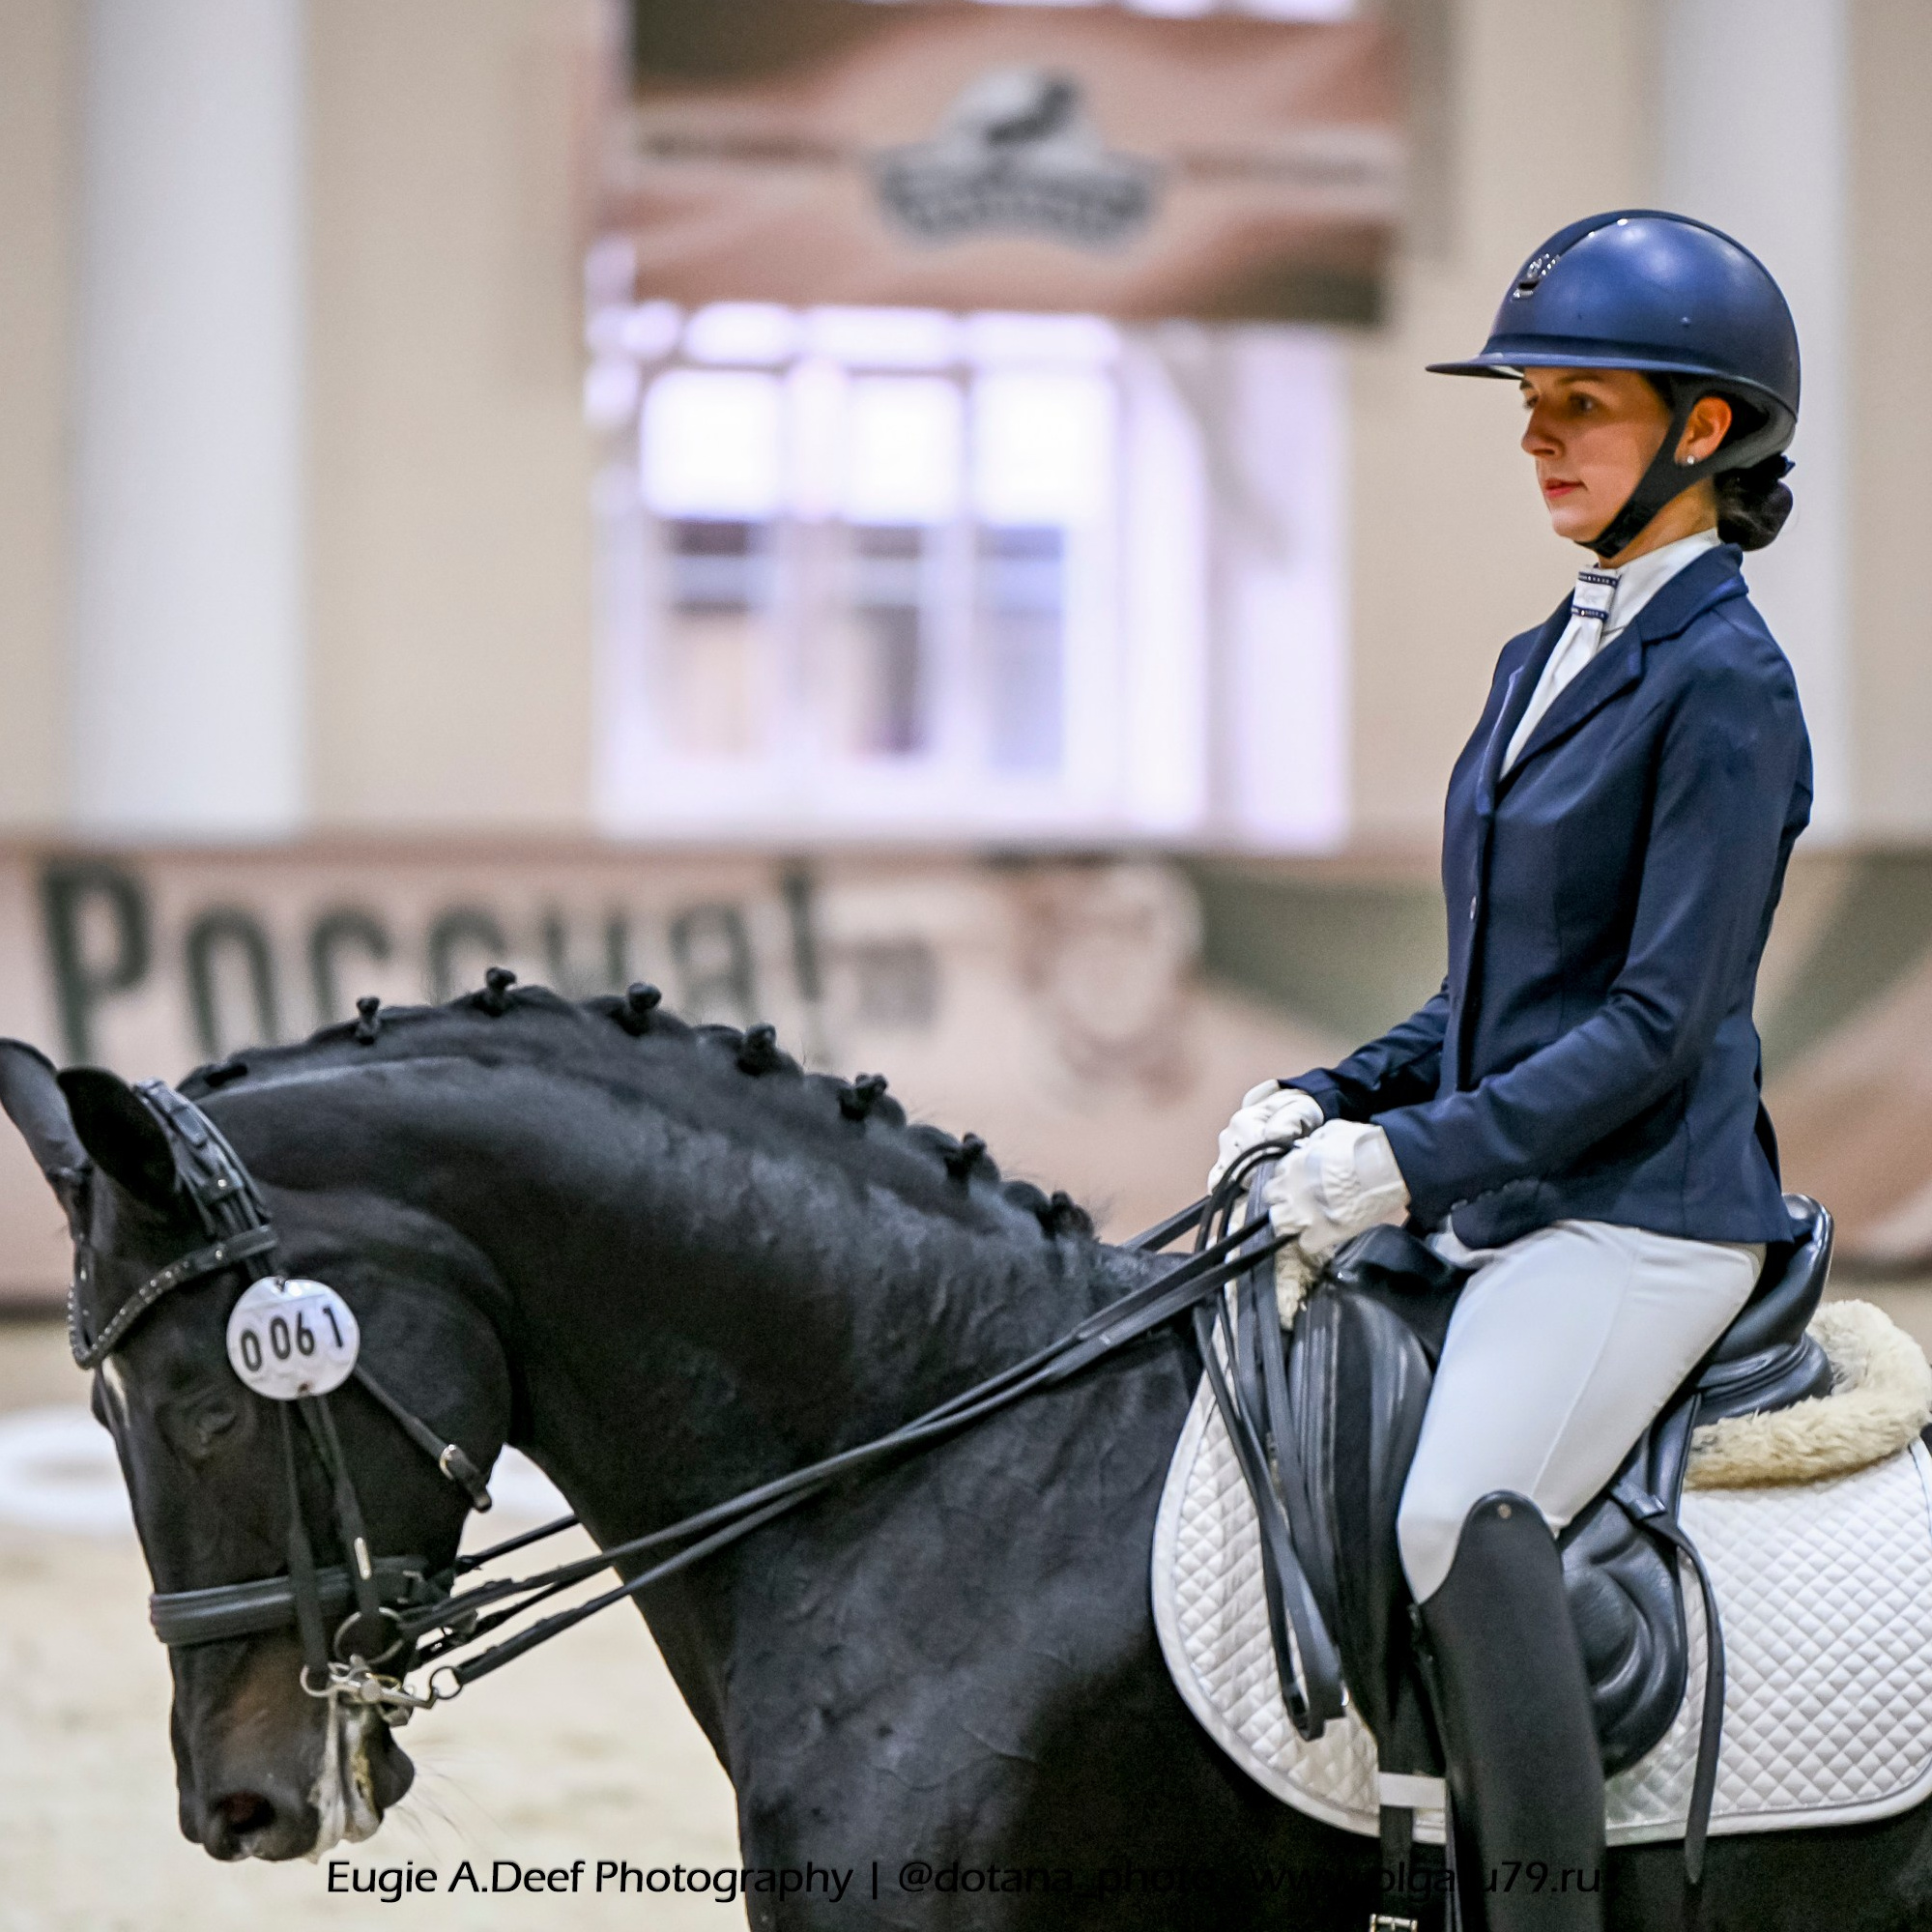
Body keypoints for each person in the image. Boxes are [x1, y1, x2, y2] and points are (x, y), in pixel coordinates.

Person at [1214, 210, 1810, 1927]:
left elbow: (1652, 1029)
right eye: (1527, 402)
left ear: (1703, 432)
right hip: (1511, 1186)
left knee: (1452, 1515)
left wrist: (1408, 1168)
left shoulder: (1731, 687)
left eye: (1583, 404)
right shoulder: (1540, 652)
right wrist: (1336, 1093)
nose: (1537, 436)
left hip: (1642, 1212)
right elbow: (1492, 988)